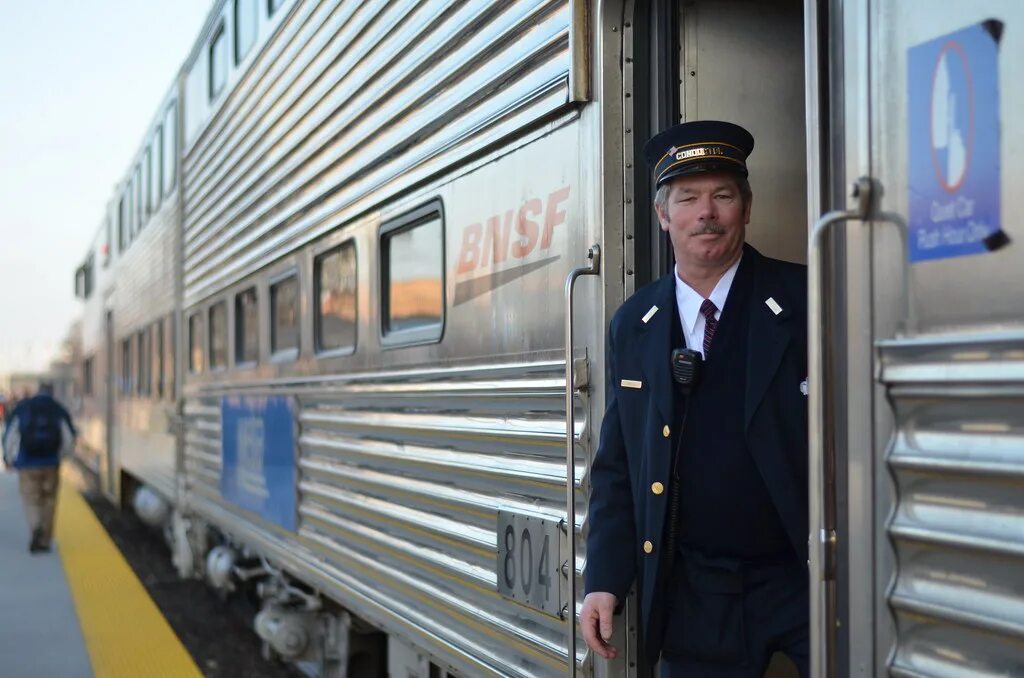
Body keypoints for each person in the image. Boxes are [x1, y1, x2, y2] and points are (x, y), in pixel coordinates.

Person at [581, 120, 809, 676]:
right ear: (664, 216)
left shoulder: (811, 297)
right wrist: (605, 581)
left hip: (803, 577)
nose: (707, 212)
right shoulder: (635, 322)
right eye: (688, 198)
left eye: (723, 195)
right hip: (695, 588)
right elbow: (619, 464)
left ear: (746, 208)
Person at [2, 382, 76, 553]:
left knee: (31, 499)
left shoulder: (23, 408)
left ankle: (36, 528)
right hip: (51, 463)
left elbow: (10, 435)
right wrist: (62, 456)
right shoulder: (57, 408)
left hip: (27, 465)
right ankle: (44, 540)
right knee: (49, 500)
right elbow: (69, 438)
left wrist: (8, 458)